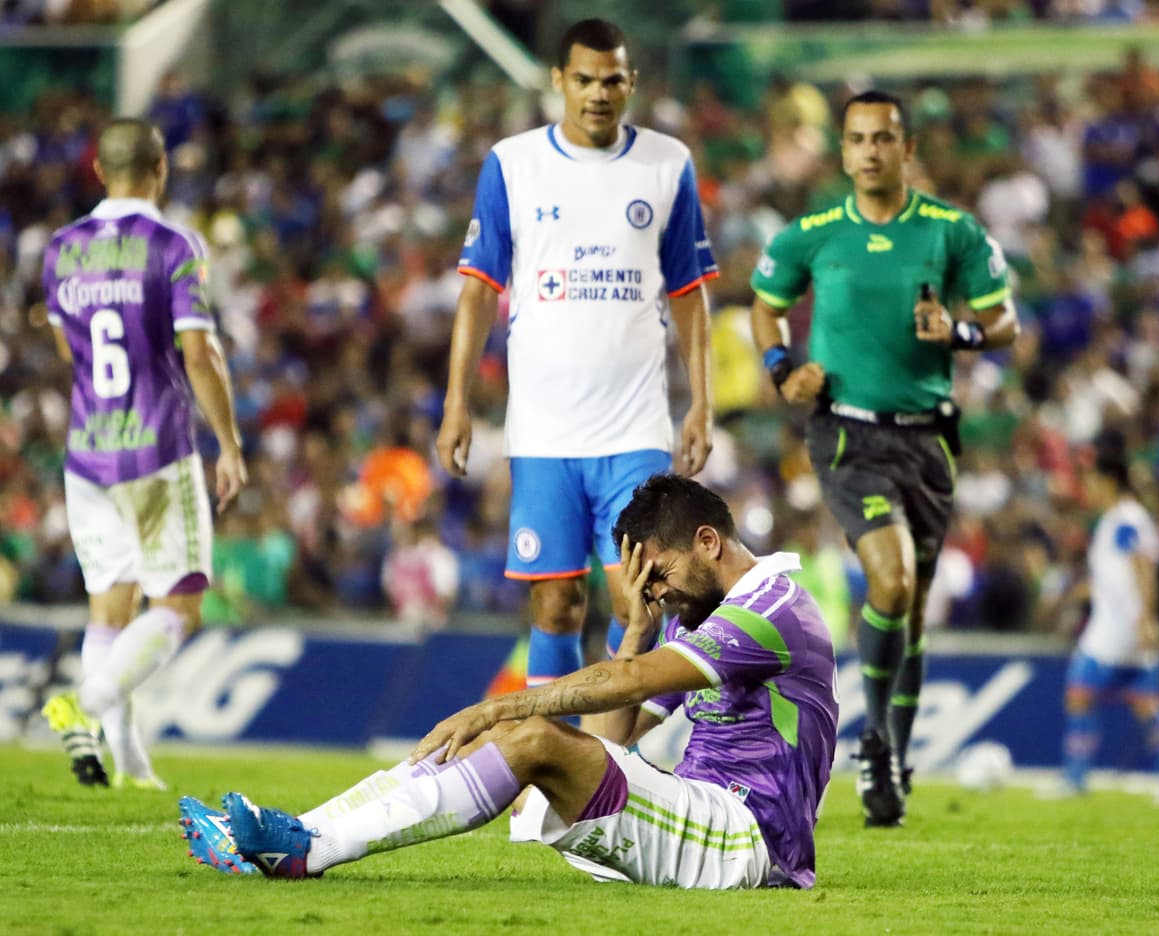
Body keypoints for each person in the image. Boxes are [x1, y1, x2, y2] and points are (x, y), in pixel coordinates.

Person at [178, 475, 837, 889]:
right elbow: (614, 747)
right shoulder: (692, 617)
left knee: (527, 739)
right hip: (692, 815)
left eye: (658, 574)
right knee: (480, 748)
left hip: (748, 839)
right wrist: (635, 629)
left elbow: (630, 682)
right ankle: (289, 833)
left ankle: (306, 855)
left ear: (708, 542)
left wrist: (503, 706)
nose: (653, 592)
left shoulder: (773, 608)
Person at [749, 89, 1020, 827]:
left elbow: (1004, 321)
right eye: (857, 139)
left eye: (883, 138)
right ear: (843, 152)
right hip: (846, 433)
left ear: (907, 149)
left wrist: (958, 333)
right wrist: (781, 365)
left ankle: (891, 762)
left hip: (928, 438)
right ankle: (870, 739)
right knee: (891, 579)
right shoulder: (811, 234)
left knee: (912, 610)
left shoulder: (950, 232)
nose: (870, 150)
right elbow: (764, 302)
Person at [435, 18, 715, 706]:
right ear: (559, 82)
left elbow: (689, 295)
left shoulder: (667, 163)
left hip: (635, 432)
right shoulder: (512, 163)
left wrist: (701, 401)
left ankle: (621, 778)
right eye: (584, 80)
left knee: (640, 607)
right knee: (556, 608)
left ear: (631, 83)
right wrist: (456, 401)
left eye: (612, 79)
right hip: (544, 437)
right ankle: (545, 788)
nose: (598, 93)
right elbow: (477, 294)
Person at [39, 118, 247, 789]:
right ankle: (84, 705)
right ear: (161, 168)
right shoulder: (172, 244)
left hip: (86, 453)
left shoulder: (60, 250)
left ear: (98, 172)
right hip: (155, 447)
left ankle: (125, 760)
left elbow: (69, 351)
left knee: (111, 607)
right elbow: (198, 352)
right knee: (180, 604)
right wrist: (229, 443)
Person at [1056, 450, 1159, 801]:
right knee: (1147, 702)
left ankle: (1074, 780)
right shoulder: (1115, 519)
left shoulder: (1126, 519)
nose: (1087, 489)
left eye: (1091, 481)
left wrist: (1147, 617)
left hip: (1116, 630)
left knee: (1078, 694)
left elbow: (1143, 566)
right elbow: (1114, 575)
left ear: (1108, 481)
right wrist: (1082, 592)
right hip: (1123, 625)